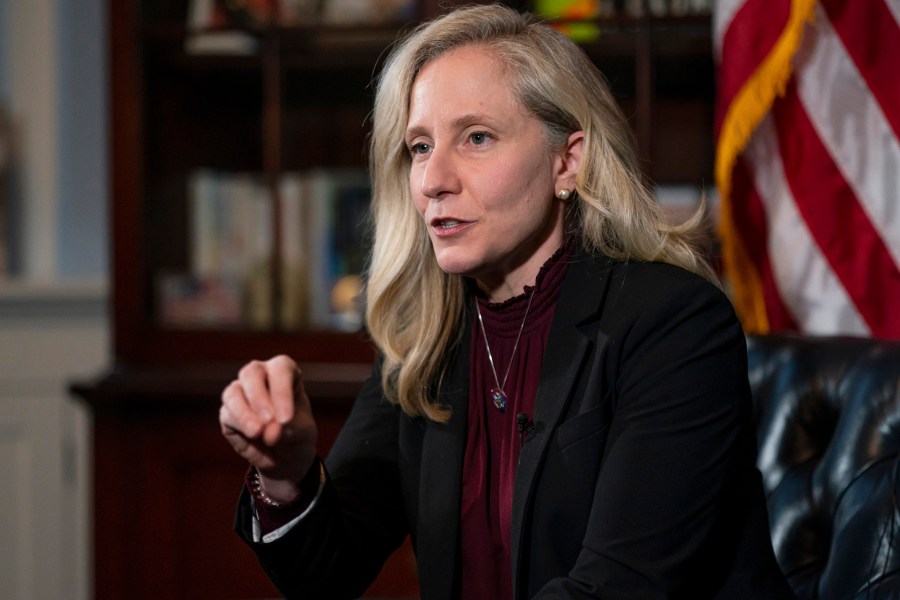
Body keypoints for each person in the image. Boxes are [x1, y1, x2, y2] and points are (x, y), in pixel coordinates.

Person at [219, 4, 797, 599]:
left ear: (566, 161)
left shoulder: (675, 323)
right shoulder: (427, 337)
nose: (432, 179)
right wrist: (285, 474)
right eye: (420, 146)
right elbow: (326, 575)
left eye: (476, 138)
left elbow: (619, 589)